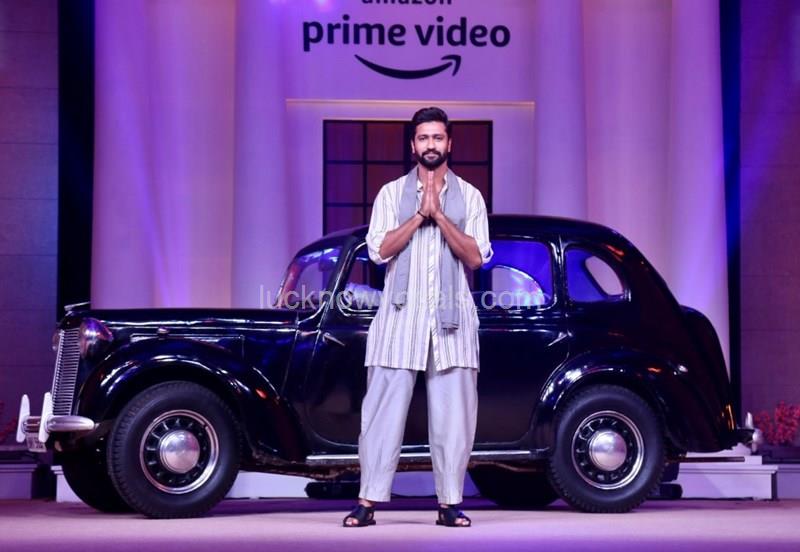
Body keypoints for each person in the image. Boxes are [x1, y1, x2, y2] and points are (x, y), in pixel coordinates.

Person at [343, 107, 493, 528]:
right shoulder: (391, 194)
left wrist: (440, 215)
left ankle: (450, 504)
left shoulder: (471, 197)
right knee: (381, 416)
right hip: (399, 318)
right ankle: (367, 502)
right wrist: (419, 216)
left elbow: (476, 257)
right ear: (413, 145)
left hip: (453, 322)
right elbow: (379, 250)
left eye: (437, 137)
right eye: (423, 137)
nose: (431, 144)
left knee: (454, 418)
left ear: (449, 143)